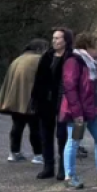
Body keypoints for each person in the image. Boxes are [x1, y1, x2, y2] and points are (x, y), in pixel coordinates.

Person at [59, 33, 97, 190]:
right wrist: (77, 113)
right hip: (79, 112)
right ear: (88, 47)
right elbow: (70, 87)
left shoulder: (96, 64)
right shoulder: (74, 61)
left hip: (95, 110)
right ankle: (69, 176)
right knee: (73, 142)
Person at [0, 39, 49, 163]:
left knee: (17, 126)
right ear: (40, 48)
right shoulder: (38, 60)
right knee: (35, 128)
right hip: (32, 100)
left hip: (16, 99)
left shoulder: (18, 59)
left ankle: (14, 152)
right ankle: (38, 154)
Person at [32, 28, 73, 180]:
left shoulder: (71, 57)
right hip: (45, 101)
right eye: (53, 38)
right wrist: (35, 99)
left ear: (66, 40)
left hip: (64, 101)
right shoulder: (47, 56)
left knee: (62, 136)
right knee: (45, 135)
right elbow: (38, 79)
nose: (54, 41)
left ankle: (63, 168)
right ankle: (48, 167)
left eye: (58, 38)